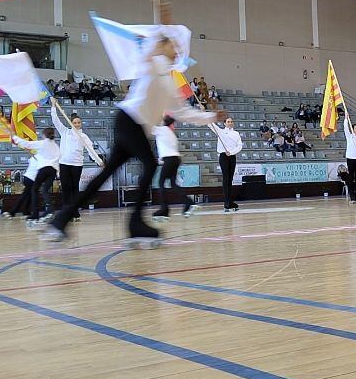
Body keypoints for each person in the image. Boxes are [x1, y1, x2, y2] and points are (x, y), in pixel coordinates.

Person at [40, 23, 225, 247]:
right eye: (173, 45)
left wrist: (211, 117)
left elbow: (184, 112)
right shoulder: (153, 61)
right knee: (148, 164)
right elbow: (148, 51)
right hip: (128, 121)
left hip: (133, 126)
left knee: (106, 174)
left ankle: (61, 220)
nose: (177, 51)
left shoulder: (169, 80)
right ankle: (135, 224)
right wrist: (160, 31)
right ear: (162, 45)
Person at [51, 100, 104, 223]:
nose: (77, 124)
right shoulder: (65, 131)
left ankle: (75, 213)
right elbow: (55, 120)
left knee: (75, 189)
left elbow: (91, 149)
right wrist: (53, 106)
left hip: (77, 165)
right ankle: (65, 212)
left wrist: (99, 161)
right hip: (64, 164)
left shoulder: (84, 136)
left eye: (79, 122)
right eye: (75, 122)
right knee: (66, 188)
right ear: (71, 123)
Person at [11, 127, 59, 225]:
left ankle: (35, 213)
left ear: (44, 135)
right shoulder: (56, 146)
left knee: (34, 189)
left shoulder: (42, 143)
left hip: (44, 169)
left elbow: (27, 144)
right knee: (45, 190)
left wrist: (14, 137)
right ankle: (50, 209)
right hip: (53, 170)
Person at [152, 117, 197, 220]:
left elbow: (148, 127)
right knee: (173, 184)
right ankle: (188, 202)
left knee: (161, 182)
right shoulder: (171, 133)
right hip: (175, 159)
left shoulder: (162, 130)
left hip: (169, 159)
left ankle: (164, 210)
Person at [211, 116, 242, 212]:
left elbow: (240, 146)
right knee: (226, 178)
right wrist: (205, 113)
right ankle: (226, 202)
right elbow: (211, 124)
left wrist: (232, 152)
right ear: (224, 123)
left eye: (231, 121)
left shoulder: (236, 133)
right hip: (223, 156)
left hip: (232, 156)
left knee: (230, 179)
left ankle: (229, 201)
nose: (230, 123)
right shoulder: (220, 132)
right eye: (228, 121)